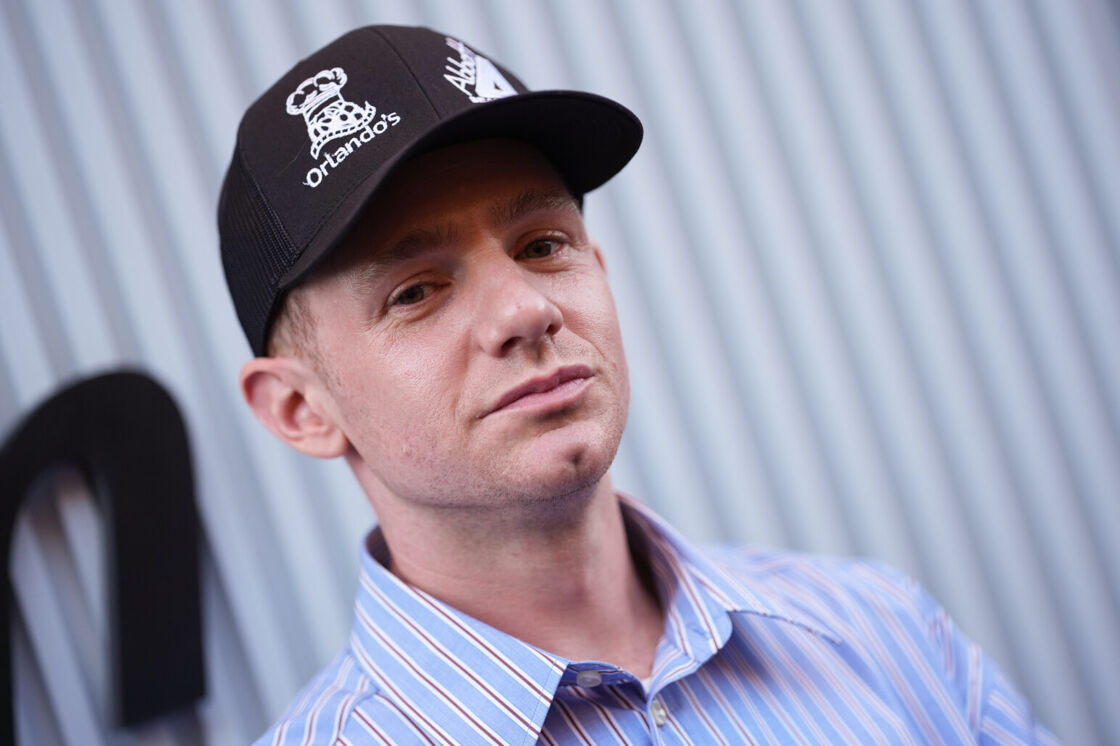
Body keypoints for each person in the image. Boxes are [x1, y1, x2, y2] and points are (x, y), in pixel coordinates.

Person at [218, 24, 1057, 745]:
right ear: (301, 410)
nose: (526, 308)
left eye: (543, 244)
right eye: (415, 292)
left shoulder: (882, 632)